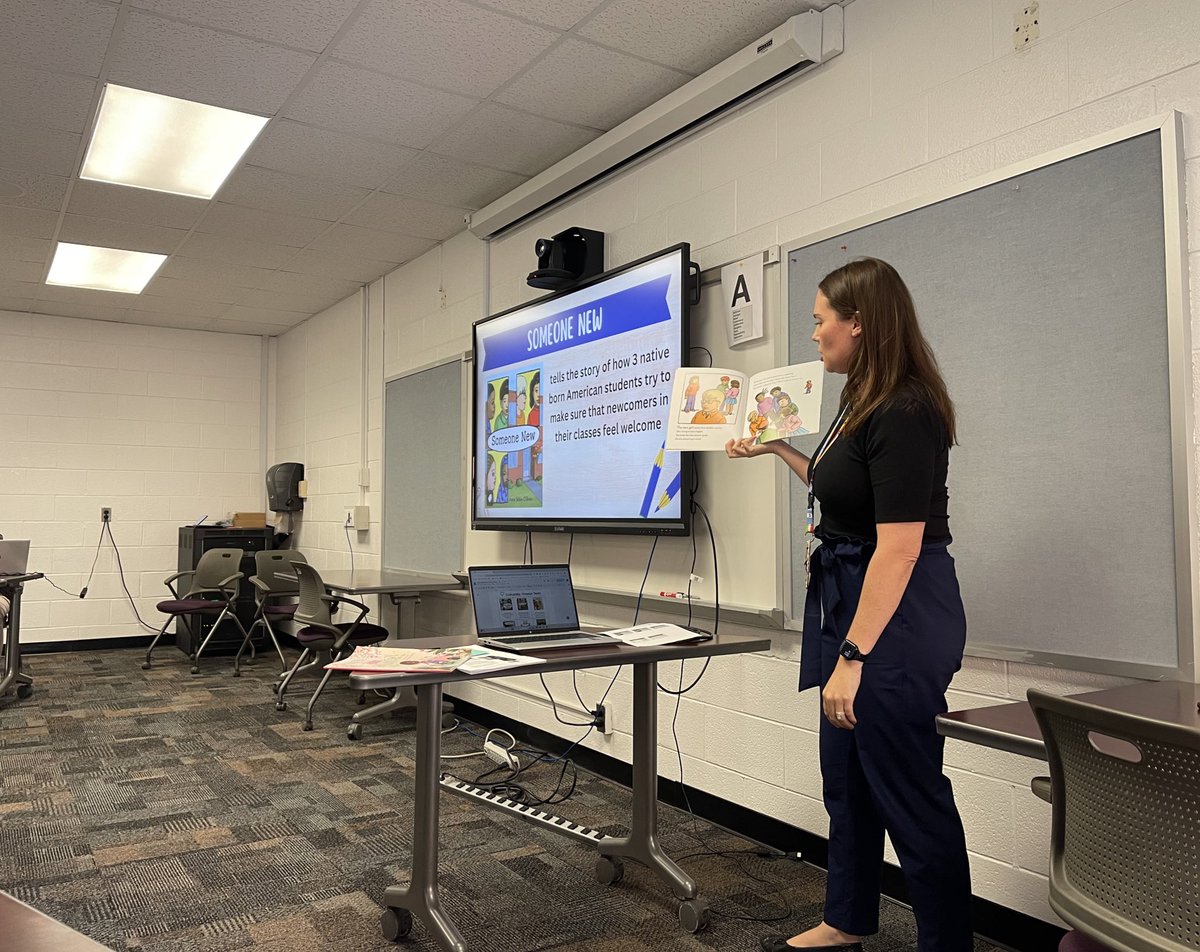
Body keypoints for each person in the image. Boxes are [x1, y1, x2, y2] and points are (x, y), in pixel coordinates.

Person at [726, 258, 971, 952]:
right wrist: (778, 448)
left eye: (820, 319)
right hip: (854, 598)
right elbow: (840, 492)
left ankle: (947, 944)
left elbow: (898, 548)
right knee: (848, 779)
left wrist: (855, 656)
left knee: (909, 792)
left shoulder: (905, 408)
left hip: (898, 609)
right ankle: (847, 919)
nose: (815, 334)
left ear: (858, 322)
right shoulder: (861, 400)